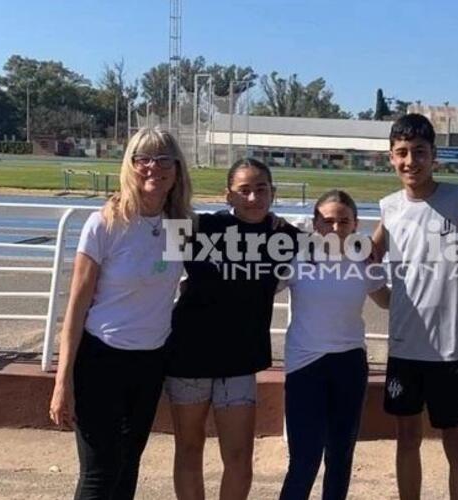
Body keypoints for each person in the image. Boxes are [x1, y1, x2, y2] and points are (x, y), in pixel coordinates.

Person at [48, 127, 193, 499]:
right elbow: (77, 305)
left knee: (128, 467)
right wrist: (62, 381)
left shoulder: (179, 226)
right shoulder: (106, 223)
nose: (153, 167)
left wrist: (278, 227)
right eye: (142, 158)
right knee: (101, 472)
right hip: (101, 359)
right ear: (129, 165)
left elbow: (203, 274)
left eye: (163, 159)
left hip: (149, 363)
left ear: (176, 170)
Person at [372, 113, 458, 500]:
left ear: (434, 156)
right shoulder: (389, 207)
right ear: (391, 157)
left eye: (419, 152)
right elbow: (365, 261)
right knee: (406, 439)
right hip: (405, 347)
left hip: (453, 349)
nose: (410, 161)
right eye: (402, 153)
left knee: (457, 445)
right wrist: (380, 295)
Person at [165, 158, 300, 500]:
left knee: (239, 457)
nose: (253, 198)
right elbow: (150, 221)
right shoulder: (200, 227)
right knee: (189, 448)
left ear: (273, 192)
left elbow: (339, 244)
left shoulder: (285, 237)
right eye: (244, 190)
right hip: (188, 356)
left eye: (261, 189)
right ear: (228, 195)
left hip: (240, 361)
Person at [278, 190, 390, 500]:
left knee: (340, 455)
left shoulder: (364, 261)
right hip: (305, 366)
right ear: (315, 223)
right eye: (327, 221)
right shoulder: (296, 257)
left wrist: (430, 283)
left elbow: (388, 302)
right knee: (304, 459)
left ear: (355, 224)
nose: (336, 228)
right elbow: (259, 293)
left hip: (350, 365)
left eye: (344, 221)